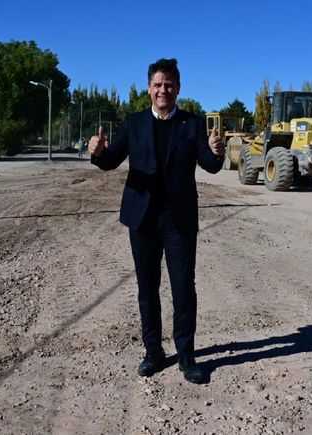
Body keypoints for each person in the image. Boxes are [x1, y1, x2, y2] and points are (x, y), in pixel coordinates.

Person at [89, 58, 225, 384]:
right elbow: (110, 161)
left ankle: (187, 355)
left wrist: (217, 151)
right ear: (149, 88)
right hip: (143, 219)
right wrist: (96, 151)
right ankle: (153, 352)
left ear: (178, 88)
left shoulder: (192, 124)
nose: (163, 89)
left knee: (183, 288)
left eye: (169, 84)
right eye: (157, 84)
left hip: (179, 220)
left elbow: (210, 165)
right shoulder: (134, 123)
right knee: (147, 289)